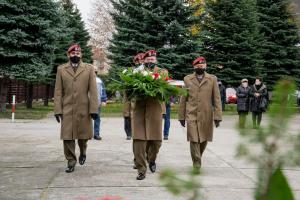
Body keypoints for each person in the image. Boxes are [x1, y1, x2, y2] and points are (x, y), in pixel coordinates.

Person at [54, 44, 99, 173]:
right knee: (67, 137)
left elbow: (93, 91)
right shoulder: (61, 69)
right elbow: (58, 91)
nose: (75, 56)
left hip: (84, 108)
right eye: (73, 54)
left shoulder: (89, 69)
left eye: (78, 54)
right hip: (67, 108)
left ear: (81, 55)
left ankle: (83, 151)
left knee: (83, 136)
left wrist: (94, 109)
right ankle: (71, 161)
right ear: (68, 55)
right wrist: (57, 110)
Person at [178, 56, 222, 171]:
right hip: (191, 113)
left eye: (202, 66)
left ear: (205, 66)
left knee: (204, 139)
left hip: (206, 114)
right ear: (194, 67)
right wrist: (181, 116)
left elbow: (217, 99)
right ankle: (197, 164)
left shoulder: (212, 79)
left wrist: (218, 116)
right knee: (194, 139)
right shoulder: (187, 79)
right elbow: (183, 98)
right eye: (198, 67)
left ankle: (197, 157)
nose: (200, 68)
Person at [131, 50, 164, 180]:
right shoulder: (136, 72)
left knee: (156, 142)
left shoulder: (162, 72)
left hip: (155, 111)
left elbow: (164, 92)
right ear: (144, 60)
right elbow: (129, 92)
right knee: (139, 142)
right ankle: (141, 170)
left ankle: (152, 159)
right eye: (148, 59)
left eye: (153, 59)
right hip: (139, 111)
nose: (150, 61)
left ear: (156, 60)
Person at [123, 53, 145, 141]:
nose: (139, 62)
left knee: (137, 116)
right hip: (129, 97)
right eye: (137, 61)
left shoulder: (145, 71)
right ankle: (128, 133)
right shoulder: (130, 71)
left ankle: (138, 132)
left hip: (138, 98)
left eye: (141, 61)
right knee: (127, 115)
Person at [93, 66, 107, 140]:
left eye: (95, 72)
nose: (94, 73)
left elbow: (103, 91)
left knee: (97, 119)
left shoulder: (99, 80)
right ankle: (86, 134)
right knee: (86, 119)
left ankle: (96, 134)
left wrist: (104, 100)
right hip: (87, 103)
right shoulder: (85, 80)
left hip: (97, 102)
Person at [161, 69, 174, 140]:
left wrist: (172, 101)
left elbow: (173, 92)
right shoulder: (157, 80)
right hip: (160, 102)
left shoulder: (169, 82)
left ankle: (166, 134)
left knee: (167, 119)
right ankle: (163, 134)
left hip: (166, 102)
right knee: (164, 119)